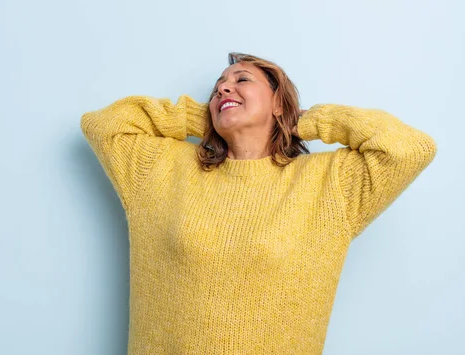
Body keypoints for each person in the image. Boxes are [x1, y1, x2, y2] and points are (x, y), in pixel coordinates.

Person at [80, 52, 437, 354]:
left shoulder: (330, 185)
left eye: (243, 80)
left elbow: (409, 149)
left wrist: (306, 120)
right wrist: (206, 115)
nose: (223, 87)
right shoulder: (159, 169)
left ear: (278, 102)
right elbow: (103, 125)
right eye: (219, 85)